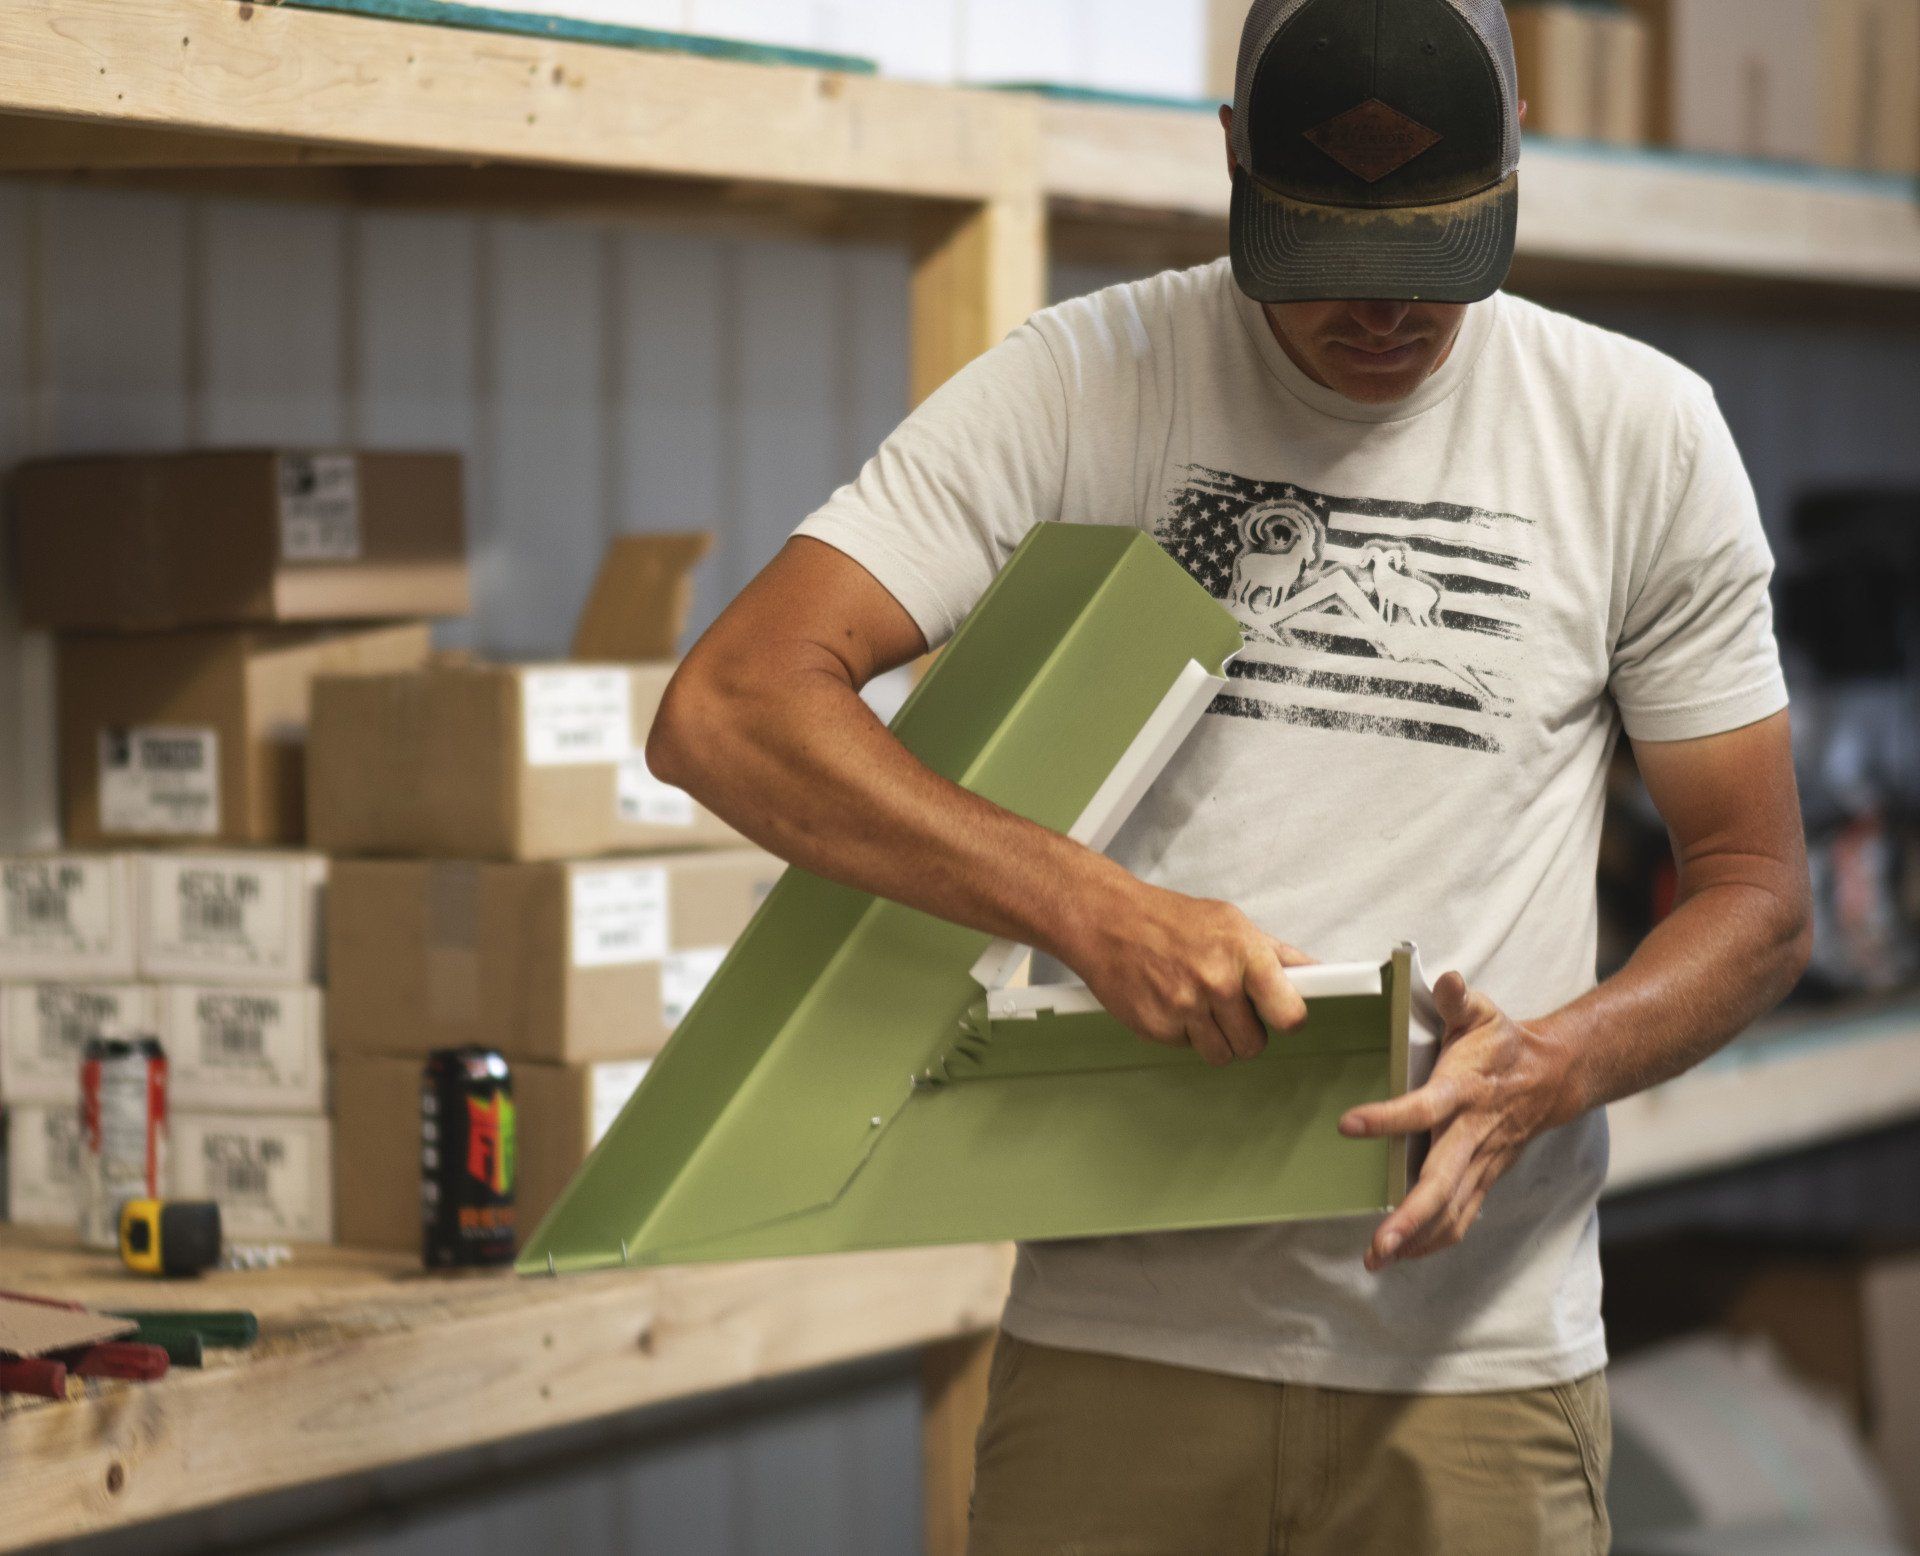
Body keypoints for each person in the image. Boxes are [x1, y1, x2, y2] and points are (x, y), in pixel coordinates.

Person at [647, 0, 1813, 1549]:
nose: (1379, 316)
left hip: (1473, 1369)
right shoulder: (1088, 384)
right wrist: (1087, 906)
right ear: (1234, 165)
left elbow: (1759, 892)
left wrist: (1561, 1065)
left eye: (1426, 268)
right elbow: (729, 705)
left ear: (1512, 178)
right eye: (1324, 263)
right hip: (1120, 1353)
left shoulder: (1638, 437)